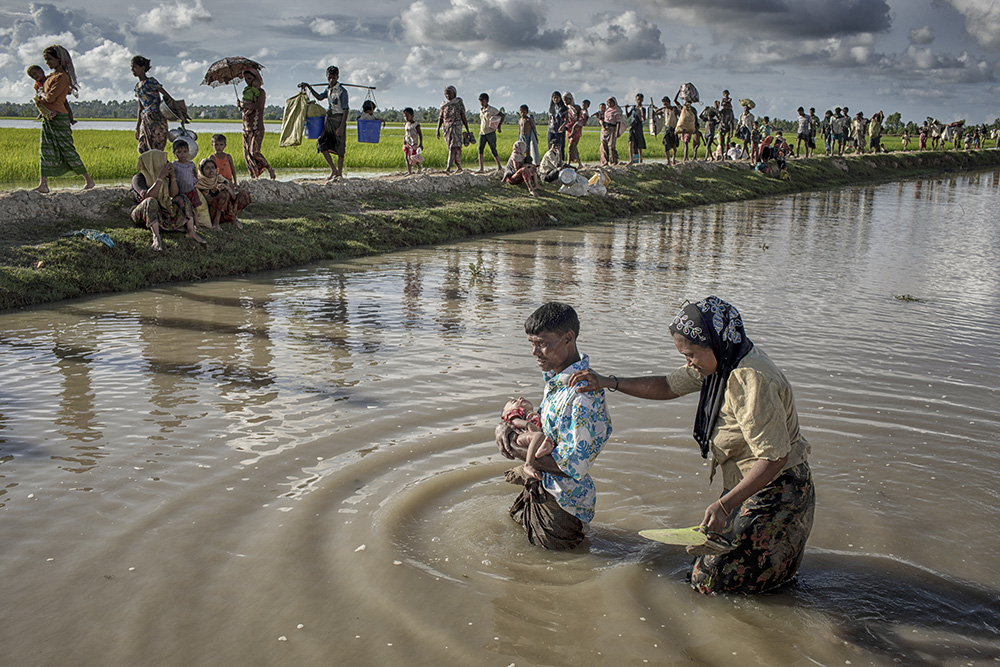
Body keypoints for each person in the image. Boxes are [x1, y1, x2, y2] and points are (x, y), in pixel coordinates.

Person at [571, 296, 814, 594]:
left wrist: (725, 504)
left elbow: (774, 457)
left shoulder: (750, 378)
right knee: (718, 574)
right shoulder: (722, 361)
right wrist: (609, 382)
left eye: (691, 355)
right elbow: (668, 385)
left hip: (777, 488)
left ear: (715, 343)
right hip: (750, 480)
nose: (688, 363)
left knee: (712, 582)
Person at [495, 302, 612, 550]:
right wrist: (511, 425)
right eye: (532, 344)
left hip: (562, 505)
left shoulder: (582, 395)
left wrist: (513, 445)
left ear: (568, 338)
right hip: (546, 489)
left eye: (542, 343)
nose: (535, 352)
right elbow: (549, 432)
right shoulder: (558, 380)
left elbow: (572, 466)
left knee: (559, 575)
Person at [33, 45, 95, 193]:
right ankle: (43, 184)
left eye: (50, 59)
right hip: (49, 118)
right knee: (46, 149)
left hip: (59, 117)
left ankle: (89, 180)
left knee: (67, 149)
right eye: (46, 60)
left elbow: (50, 98)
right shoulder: (50, 78)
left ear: (59, 60)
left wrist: (40, 95)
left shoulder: (62, 78)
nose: (47, 63)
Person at [131, 149, 206, 251]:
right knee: (151, 201)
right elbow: (147, 196)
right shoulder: (139, 178)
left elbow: (174, 194)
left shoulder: (166, 177)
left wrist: (173, 177)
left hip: (163, 211)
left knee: (183, 198)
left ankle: (191, 231)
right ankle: (156, 236)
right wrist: (160, 177)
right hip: (145, 214)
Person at [300, 66, 348, 181]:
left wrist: (341, 127)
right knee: (322, 143)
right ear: (327, 77)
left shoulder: (342, 91)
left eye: (334, 77)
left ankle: (340, 173)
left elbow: (346, 109)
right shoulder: (328, 90)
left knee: (340, 147)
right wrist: (309, 87)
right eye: (329, 77)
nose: (331, 80)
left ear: (338, 77)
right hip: (329, 120)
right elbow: (320, 97)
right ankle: (333, 169)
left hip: (339, 120)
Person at [131, 55, 175, 153]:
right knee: (142, 148)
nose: (133, 70)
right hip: (146, 119)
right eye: (132, 68)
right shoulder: (137, 87)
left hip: (157, 118)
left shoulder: (151, 82)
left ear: (143, 68)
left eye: (135, 67)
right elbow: (140, 108)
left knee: (156, 148)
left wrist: (175, 110)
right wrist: (137, 127)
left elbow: (167, 95)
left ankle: (160, 167)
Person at [239, 68, 276, 180]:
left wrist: (245, 105)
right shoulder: (246, 92)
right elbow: (246, 110)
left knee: (254, 152)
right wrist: (241, 105)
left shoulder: (260, 92)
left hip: (257, 127)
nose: (248, 81)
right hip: (246, 128)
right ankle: (254, 177)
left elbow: (258, 106)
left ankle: (269, 168)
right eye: (246, 79)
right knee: (247, 155)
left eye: (250, 78)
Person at [196, 157, 250, 229]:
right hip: (212, 213)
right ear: (202, 171)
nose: (211, 170)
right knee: (223, 194)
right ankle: (216, 223)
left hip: (227, 211)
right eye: (207, 168)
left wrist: (227, 188)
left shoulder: (220, 179)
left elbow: (234, 197)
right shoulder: (199, 184)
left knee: (244, 194)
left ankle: (233, 217)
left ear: (216, 169)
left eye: (213, 167)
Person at [435, 85, 470, 174]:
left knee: (453, 147)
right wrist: (438, 129)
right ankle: (459, 167)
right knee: (453, 148)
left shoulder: (458, 102)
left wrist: (467, 129)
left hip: (456, 127)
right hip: (446, 129)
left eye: (449, 94)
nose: (447, 96)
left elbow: (463, 116)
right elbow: (441, 118)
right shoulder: (444, 105)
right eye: (446, 94)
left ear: (454, 93)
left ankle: (448, 168)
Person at [476, 93, 503, 173]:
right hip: (482, 132)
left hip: (490, 132)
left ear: (487, 101)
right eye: (480, 101)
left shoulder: (492, 109)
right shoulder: (481, 110)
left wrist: (499, 126)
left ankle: (499, 166)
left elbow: (502, 115)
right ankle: (481, 168)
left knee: (493, 149)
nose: (481, 103)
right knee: (480, 149)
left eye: (483, 101)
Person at [564, 92, 585, 170]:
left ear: (570, 99)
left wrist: (575, 126)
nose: (565, 102)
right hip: (568, 129)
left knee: (571, 146)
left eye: (567, 100)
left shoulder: (576, 107)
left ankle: (572, 163)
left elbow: (581, 118)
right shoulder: (565, 109)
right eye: (564, 100)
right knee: (572, 147)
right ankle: (574, 163)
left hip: (576, 129)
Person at [624, 93, 647, 164]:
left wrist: (641, 110)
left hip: (639, 127)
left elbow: (643, 118)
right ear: (636, 100)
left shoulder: (643, 109)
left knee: (639, 143)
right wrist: (626, 108)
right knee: (631, 142)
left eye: (640, 99)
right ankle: (631, 160)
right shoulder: (633, 108)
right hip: (632, 126)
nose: (639, 101)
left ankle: (640, 159)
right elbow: (628, 116)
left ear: (642, 100)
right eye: (637, 99)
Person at [600, 98, 623, 166]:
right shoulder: (607, 110)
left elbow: (618, 122)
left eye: (610, 103)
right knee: (604, 145)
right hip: (605, 129)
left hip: (613, 129)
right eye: (608, 103)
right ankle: (606, 161)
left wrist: (617, 131)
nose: (609, 104)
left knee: (611, 145)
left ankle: (614, 161)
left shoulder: (617, 110)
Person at [547, 91, 568, 162]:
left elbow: (567, 119)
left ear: (560, 98)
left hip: (560, 130)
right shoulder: (551, 108)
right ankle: (551, 161)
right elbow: (549, 118)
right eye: (554, 98)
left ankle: (560, 161)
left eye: (557, 97)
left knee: (560, 146)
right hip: (551, 129)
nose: (555, 99)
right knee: (550, 146)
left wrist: (562, 126)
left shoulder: (563, 108)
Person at [402, 107, 423, 175]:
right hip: (407, 142)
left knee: (413, 157)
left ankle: (419, 166)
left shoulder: (416, 125)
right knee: (406, 157)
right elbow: (405, 133)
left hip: (414, 143)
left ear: (412, 115)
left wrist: (421, 144)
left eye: (407, 116)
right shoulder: (406, 124)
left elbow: (420, 134)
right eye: (405, 116)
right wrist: (404, 141)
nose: (406, 118)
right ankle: (409, 172)